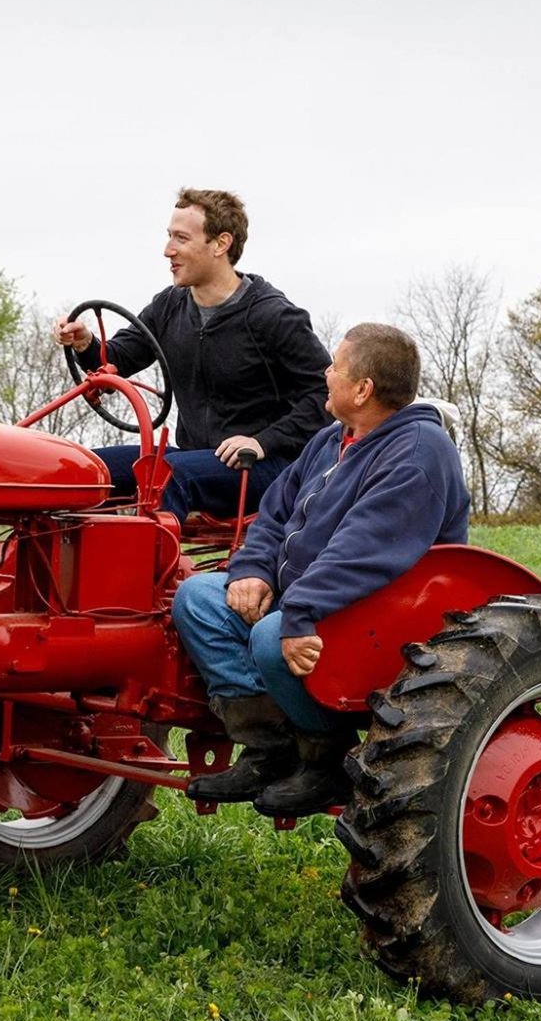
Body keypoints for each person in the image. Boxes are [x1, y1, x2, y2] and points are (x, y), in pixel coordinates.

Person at [170, 322, 472, 816]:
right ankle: (270, 750)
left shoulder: (418, 452)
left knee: (271, 638)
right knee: (198, 599)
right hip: (309, 595)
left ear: (362, 389)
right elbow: (275, 511)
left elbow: (365, 550)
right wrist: (252, 571)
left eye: (334, 366)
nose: (323, 373)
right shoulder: (333, 439)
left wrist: (300, 612)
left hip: (376, 608)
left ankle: (325, 758)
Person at [55, 188, 331, 519]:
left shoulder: (273, 317)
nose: (167, 250)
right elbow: (118, 359)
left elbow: (324, 397)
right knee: (83, 468)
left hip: (268, 467)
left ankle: (138, 569)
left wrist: (263, 442)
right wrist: (86, 344)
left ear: (220, 244)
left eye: (181, 239)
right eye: (169, 237)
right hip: (195, 458)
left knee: (167, 475)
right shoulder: (170, 306)